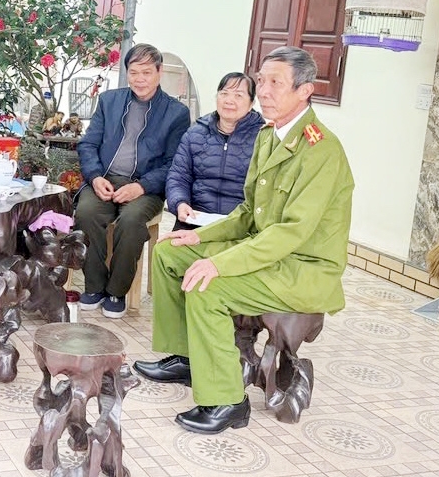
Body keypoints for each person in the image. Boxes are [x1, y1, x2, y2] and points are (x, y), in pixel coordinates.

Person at [133, 46, 354, 434]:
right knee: (169, 252)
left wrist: (218, 263)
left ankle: (227, 401)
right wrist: (199, 237)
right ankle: (188, 358)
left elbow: (290, 233)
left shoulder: (321, 150)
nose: (263, 91)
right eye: (262, 81)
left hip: (301, 268)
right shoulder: (270, 136)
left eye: (275, 83)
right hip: (267, 252)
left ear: (305, 90)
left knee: (206, 286)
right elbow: (248, 213)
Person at [76, 43, 190, 318]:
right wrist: (95, 177)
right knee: (86, 212)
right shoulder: (109, 101)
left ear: (159, 72)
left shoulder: (176, 113)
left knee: (131, 221)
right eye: (134, 72)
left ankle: (116, 291)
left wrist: (141, 186)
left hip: (145, 187)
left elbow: (174, 162)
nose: (140, 79)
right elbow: (88, 144)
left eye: (146, 72)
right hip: (105, 178)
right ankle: (94, 287)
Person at [165, 73, 263, 230]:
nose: (229, 100)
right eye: (224, 93)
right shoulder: (195, 134)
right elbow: (178, 176)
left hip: (240, 222)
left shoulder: (264, 138)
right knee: (167, 244)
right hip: (196, 217)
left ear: (252, 103)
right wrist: (180, 202)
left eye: (238, 95)